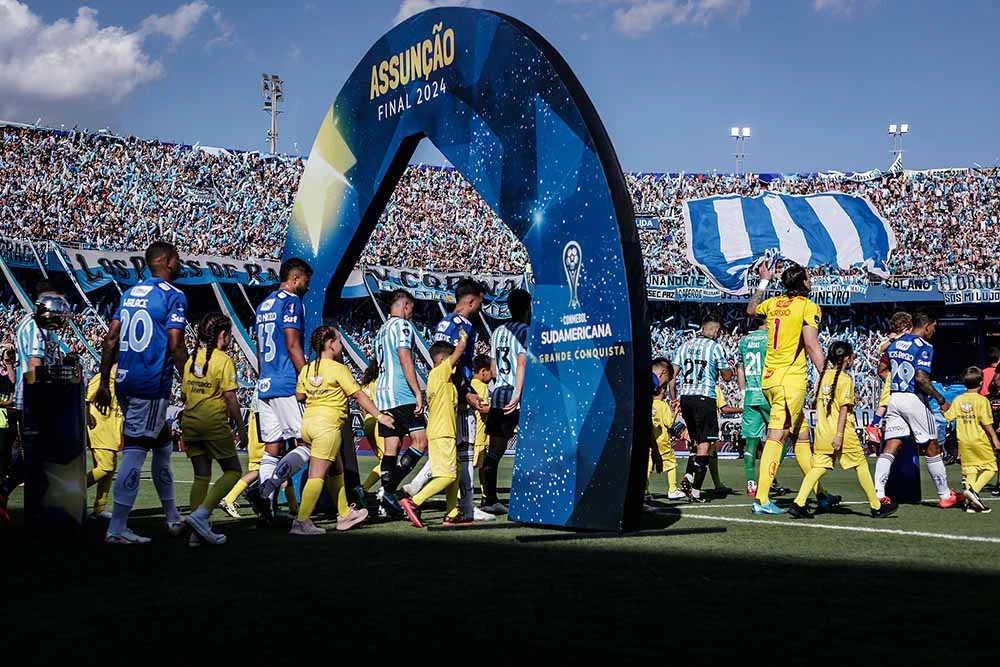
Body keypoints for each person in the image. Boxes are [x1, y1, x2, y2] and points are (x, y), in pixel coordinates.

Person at [95, 241, 189, 544]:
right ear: (167, 262)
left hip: (124, 380)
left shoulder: (130, 292)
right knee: (134, 452)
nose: (180, 262)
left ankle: (173, 517)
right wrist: (189, 382)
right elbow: (175, 344)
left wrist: (103, 382)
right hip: (150, 383)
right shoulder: (174, 296)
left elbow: (111, 339)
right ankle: (117, 528)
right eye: (176, 258)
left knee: (162, 446)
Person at [401, 279, 492, 522]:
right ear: (472, 301)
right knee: (462, 456)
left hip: (449, 401)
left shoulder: (444, 323)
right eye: (480, 303)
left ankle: (451, 508)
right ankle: (466, 506)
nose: (480, 308)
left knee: (453, 459)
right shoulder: (463, 326)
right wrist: (469, 394)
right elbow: (457, 363)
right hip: (455, 403)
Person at [290, 325, 390, 535]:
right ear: (329, 344)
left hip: (308, 424)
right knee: (317, 474)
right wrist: (380, 416)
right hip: (327, 426)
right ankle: (301, 521)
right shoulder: (338, 369)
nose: (341, 344)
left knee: (337, 469)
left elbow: (299, 396)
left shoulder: (307, 368)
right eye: (338, 340)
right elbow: (359, 395)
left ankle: (344, 514)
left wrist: (317, 391)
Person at [745, 263, 827, 515]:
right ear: (802, 283)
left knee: (801, 436)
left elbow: (750, 309)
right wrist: (827, 375)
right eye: (809, 278)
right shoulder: (808, 307)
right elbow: (811, 345)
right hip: (789, 382)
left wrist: (763, 281)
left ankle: (821, 493)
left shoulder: (774, 304)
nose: (811, 282)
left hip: (770, 378)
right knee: (777, 436)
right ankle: (761, 498)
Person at [787, 341, 898, 519]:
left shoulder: (822, 377)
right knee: (861, 465)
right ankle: (876, 506)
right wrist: (839, 435)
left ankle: (799, 503)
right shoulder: (845, 380)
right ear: (847, 358)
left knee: (817, 468)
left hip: (823, 432)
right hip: (842, 433)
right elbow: (844, 410)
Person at [250, 258, 312, 522]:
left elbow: (258, 348)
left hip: (265, 383)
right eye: (306, 282)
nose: (308, 287)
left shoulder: (264, 304)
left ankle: (267, 513)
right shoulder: (292, 302)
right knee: (309, 443)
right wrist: (308, 377)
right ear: (295, 280)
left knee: (271, 449)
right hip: (286, 382)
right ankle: (266, 489)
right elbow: (292, 343)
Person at [875, 312, 958, 508]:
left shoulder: (895, 343)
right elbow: (921, 378)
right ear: (927, 326)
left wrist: (898, 382)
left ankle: (878, 493)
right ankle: (944, 494)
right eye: (934, 327)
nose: (934, 331)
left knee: (892, 444)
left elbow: (881, 369)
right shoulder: (923, 346)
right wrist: (941, 400)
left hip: (894, 397)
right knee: (932, 444)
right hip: (914, 399)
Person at [0, 284, 67, 520]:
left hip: (36, 397)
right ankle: (5, 494)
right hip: (31, 398)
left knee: (30, 455)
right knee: (32, 455)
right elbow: (34, 366)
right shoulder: (34, 326)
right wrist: (44, 401)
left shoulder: (45, 326)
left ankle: (29, 499)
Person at [180, 313, 247, 546]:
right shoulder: (223, 361)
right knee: (233, 472)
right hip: (213, 423)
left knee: (201, 475)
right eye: (228, 334)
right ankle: (202, 515)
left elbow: (183, 393)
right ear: (222, 335)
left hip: (190, 422)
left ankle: (196, 535)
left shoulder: (191, 359)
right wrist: (241, 427)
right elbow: (230, 397)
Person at [400, 333, 470, 527]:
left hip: (445, 432)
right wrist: (463, 338)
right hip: (442, 433)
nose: (454, 365)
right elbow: (459, 352)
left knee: (454, 472)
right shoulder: (439, 373)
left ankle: (452, 513)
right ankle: (414, 501)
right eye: (451, 361)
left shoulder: (443, 382)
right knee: (446, 476)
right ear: (441, 360)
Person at [369, 289, 427, 516]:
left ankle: (385, 504)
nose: (412, 312)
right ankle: (388, 491)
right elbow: (404, 357)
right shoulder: (402, 326)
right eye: (411, 307)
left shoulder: (381, 330)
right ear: (404, 305)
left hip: (383, 395)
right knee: (420, 442)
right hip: (401, 392)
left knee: (391, 448)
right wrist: (417, 392)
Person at [670, 312, 732, 503]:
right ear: (716, 330)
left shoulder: (685, 345)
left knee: (696, 443)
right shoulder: (715, 347)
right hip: (705, 398)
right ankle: (696, 492)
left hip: (686, 397)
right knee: (705, 444)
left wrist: (674, 399)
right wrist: (725, 370)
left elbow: (672, 377)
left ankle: (688, 477)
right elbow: (727, 376)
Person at [482, 288, 531, 514]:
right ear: (527, 308)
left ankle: (489, 499)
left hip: (498, 392)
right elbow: (521, 363)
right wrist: (519, 393)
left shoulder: (498, 331)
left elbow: (492, 370)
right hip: (517, 394)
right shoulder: (525, 331)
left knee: (495, 450)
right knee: (533, 446)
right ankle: (530, 496)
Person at [941, 367, 1000, 513]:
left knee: (971, 470)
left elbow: (948, 416)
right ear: (981, 383)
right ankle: (974, 491)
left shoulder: (958, 399)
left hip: (964, 440)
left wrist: (943, 408)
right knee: (991, 467)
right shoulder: (982, 401)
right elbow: (986, 423)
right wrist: (994, 438)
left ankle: (970, 504)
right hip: (979, 439)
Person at [865, 312, 912, 445]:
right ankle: (873, 425)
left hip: (905, 373)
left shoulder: (909, 339)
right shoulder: (893, 338)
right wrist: (893, 339)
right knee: (885, 400)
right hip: (894, 373)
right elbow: (881, 349)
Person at [86, 363, 123, 520]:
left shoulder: (122, 382)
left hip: (113, 431)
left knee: (109, 471)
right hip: (100, 431)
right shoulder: (101, 378)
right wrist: (89, 421)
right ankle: (70, 490)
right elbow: (86, 400)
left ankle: (99, 509)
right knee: (105, 467)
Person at [737, 321, 769, 497]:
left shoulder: (744, 340)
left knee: (751, 441)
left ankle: (751, 485)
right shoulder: (770, 339)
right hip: (768, 394)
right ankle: (769, 479)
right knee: (783, 436)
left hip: (750, 395)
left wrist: (743, 393)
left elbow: (740, 368)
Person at [650, 365, 684, 501]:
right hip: (662, 440)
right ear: (662, 391)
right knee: (671, 463)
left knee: (648, 466)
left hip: (650, 439)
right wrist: (675, 412)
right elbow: (669, 424)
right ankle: (672, 489)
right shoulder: (663, 405)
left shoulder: (649, 403)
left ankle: (645, 492)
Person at [470, 353, 492, 497]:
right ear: (483, 371)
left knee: (480, 467)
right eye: (491, 371)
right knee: (478, 467)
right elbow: (483, 409)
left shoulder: (471, 384)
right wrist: (498, 411)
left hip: (474, 433)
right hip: (479, 435)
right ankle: (482, 495)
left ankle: (485, 494)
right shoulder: (482, 386)